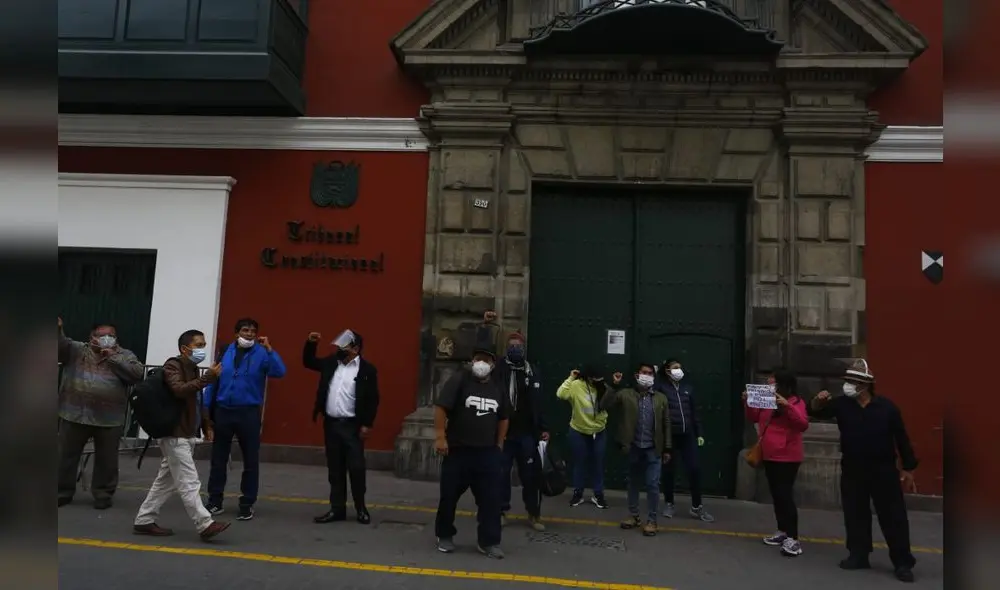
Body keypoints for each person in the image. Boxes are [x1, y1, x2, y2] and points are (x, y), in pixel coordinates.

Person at [810, 359, 919, 583]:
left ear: (865, 384)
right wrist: (817, 401)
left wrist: (908, 468)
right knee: (855, 513)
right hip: (853, 467)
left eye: (852, 381)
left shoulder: (887, 408)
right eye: (847, 380)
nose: (848, 385)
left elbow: (902, 439)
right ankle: (858, 555)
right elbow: (816, 412)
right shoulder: (842, 405)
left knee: (893, 516)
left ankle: (902, 562)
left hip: (883, 469)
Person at [133, 329, 230, 540]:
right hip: (174, 432)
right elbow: (179, 390)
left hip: (185, 432)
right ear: (185, 349)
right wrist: (208, 378)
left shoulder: (193, 368)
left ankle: (144, 519)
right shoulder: (173, 366)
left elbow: (196, 400)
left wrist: (206, 424)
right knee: (189, 480)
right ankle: (204, 523)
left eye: (204, 344)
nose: (203, 349)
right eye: (199, 345)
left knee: (165, 481)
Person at [203, 318, 287, 521]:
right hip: (223, 411)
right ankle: (215, 501)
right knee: (218, 460)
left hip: (248, 413)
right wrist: (206, 409)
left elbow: (279, 372)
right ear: (236, 333)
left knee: (250, 460)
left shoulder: (262, 354)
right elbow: (214, 381)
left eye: (253, 331)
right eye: (245, 330)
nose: (249, 334)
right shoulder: (225, 352)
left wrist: (269, 350)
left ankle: (247, 503)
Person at [58, 316, 145, 509]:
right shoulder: (77, 350)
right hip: (75, 414)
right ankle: (61, 492)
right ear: (92, 336)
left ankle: (103, 494)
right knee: (65, 456)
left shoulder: (125, 354)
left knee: (107, 460)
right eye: (101, 335)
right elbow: (59, 346)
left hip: (109, 418)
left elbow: (136, 374)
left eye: (111, 336)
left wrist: (112, 356)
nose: (107, 339)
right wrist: (58, 329)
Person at [433, 345, 510, 559]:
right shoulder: (460, 380)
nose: (482, 364)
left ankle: (489, 541)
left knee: (491, 500)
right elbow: (441, 408)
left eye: (486, 360)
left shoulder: (498, 387)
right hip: (458, 451)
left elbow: (504, 417)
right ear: (472, 361)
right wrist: (440, 437)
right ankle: (445, 535)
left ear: (493, 364)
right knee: (448, 497)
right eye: (478, 359)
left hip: (487, 454)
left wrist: (499, 444)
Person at [304, 329, 379, 525]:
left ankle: (361, 508)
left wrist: (367, 424)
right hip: (331, 424)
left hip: (352, 426)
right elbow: (309, 362)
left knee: (356, 468)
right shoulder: (331, 363)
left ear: (355, 348)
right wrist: (311, 344)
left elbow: (373, 399)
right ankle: (337, 509)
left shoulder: (367, 370)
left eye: (344, 346)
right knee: (335, 469)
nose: (339, 348)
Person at [742, 369, 809, 557]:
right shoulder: (767, 401)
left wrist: (787, 406)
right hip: (769, 455)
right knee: (777, 496)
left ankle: (793, 539)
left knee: (785, 496)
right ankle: (782, 531)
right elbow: (753, 416)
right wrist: (747, 401)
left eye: (773, 382)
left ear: (784, 385)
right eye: (769, 382)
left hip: (787, 457)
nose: (770, 385)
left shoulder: (796, 402)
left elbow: (802, 424)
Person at [602, 363, 672, 536]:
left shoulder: (660, 398)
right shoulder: (626, 394)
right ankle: (634, 516)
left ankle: (652, 520)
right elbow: (605, 404)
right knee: (633, 483)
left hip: (653, 449)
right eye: (644, 373)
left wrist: (668, 448)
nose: (647, 376)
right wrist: (614, 385)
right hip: (634, 447)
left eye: (650, 373)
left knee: (652, 484)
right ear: (637, 375)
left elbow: (667, 423)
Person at [493, 329, 548, 530]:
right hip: (504, 433)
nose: (515, 349)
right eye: (512, 346)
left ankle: (534, 513)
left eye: (519, 346)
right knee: (501, 474)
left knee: (530, 475)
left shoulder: (532, 371)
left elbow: (539, 402)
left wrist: (543, 427)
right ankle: (500, 511)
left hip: (527, 433)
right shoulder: (499, 369)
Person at [655, 359, 714, 522]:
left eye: (680, 367)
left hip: (688, 435)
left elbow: (695, 412)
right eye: (675, 368)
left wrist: (699, 432)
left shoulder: (687, 388)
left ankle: (697, 506)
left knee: (694, 469)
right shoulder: (661, 388)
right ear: (667, 371)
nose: (678, 370)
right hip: (670, 436)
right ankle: (669, 503)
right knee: (669, 471)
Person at [556, 362, 610, 509]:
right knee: (579, 462)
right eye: (595, 378)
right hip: (578, 431)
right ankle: (577, 494)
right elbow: (560, 394)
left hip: (598, 431)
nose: (598, 381)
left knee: (598, 463)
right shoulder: (576, 385)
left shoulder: (604, 387)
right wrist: (570, 378)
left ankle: (598, 495)